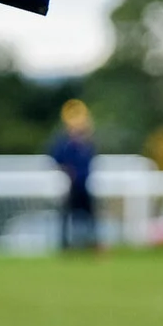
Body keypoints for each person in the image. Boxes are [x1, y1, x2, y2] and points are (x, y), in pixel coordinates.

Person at [48, 98, 99, 252]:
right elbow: (55, 158)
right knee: (66, 217)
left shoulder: (87, 143)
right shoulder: (63, 143)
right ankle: (65, 246)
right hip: (69, 186)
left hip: (84, 185)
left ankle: (92, 244)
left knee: (90, 217)